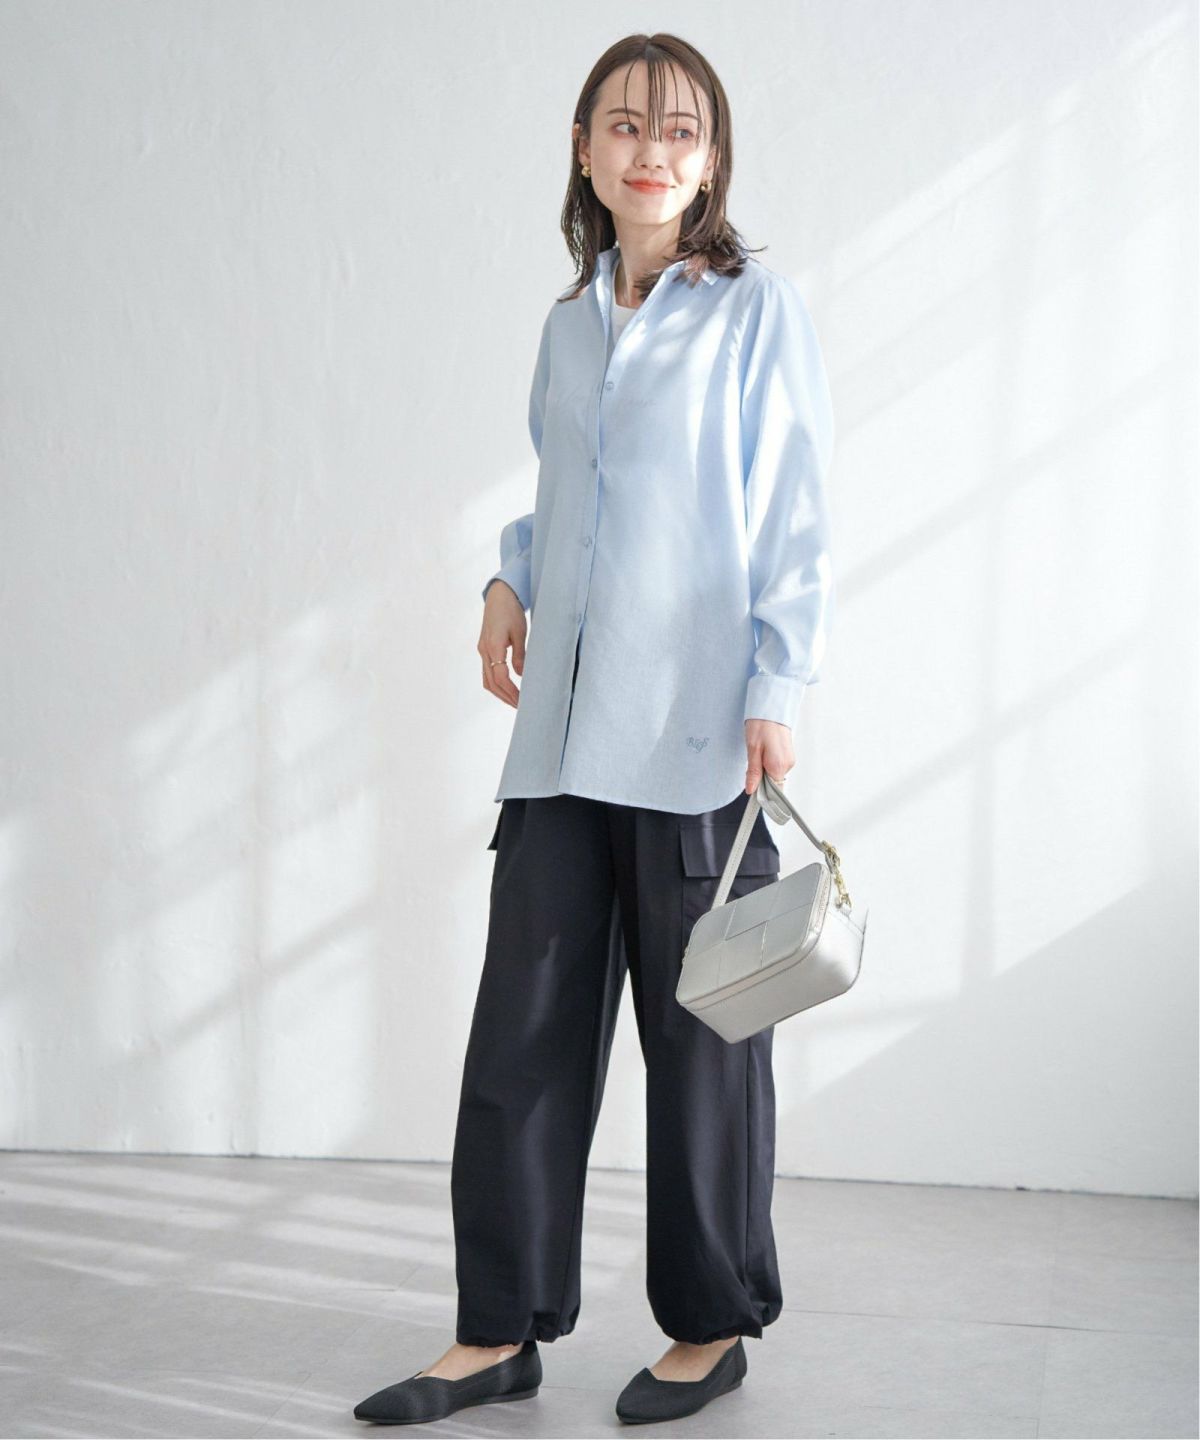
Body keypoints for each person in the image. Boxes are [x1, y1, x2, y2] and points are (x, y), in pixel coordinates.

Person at [354, 29, 835, 1430]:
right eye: (625, 125)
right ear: (584, 149)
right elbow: (566, 488)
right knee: (523, 1035)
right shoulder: (570, 323)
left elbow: (795, 508)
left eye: (680, 130)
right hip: (563, 742)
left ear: (712, 158)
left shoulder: (754, 311)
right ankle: (496, 1330)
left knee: (706, 1049)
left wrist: (779, 687)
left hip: (696, 736)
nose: (651, 150)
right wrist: (509, 575)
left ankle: (711, 1325)